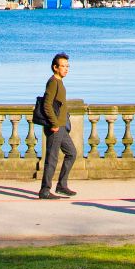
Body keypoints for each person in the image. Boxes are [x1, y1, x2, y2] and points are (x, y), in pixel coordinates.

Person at [35, 52, 77, 199]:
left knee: (72, 153)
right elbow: (47, 104)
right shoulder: (53, 82)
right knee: (52, 158)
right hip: (55, 127)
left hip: (61, 126)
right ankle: (45, 190)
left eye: (67, 66)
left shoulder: (60, 82)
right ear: (55, 67)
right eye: (63, 66)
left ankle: (61, 185)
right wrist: (53, 123)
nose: (66, 69)